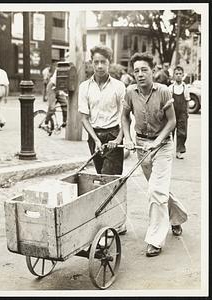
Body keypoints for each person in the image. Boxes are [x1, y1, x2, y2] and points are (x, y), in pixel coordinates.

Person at [121, 52, 188, 257]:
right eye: (136, 71)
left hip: (163, 145)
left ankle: (155, 240)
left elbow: (172, 121)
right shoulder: (130, 92)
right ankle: (177, 218)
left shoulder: (164, 91)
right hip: (141, 145)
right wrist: (127, 138)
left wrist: (157, 142)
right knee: (158, 189)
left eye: (144, 70)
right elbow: (124, 117)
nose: (140, 74)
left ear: (153, 70)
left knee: (156, 192)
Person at [78, 45, 127, 234]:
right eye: (96, 62)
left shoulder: (118, 86)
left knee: (109, 180)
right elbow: (84, 117)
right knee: (100, 179)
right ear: (91, 63)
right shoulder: (85, 87)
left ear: (109, 63)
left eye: (103, 62)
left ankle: (112, 224)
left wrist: (120, 138)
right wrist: (95, 140)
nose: (99, 66)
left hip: (114, 135)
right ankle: (112, 221)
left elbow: (125, 116)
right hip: (95, 137)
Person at [169, 65, 190, 159]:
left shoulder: (185, 87)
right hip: (172, 113)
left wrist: (187, 112)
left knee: (182, 133)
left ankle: (179, 151)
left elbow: (187, 101)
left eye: (180, 74)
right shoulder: (170, 88)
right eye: (176, 74)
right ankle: (168, 151)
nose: (178, 75)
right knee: (170, 132)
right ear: (173, 75)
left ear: (182, 75)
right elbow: (168, 102)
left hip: (182, 113)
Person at [43, 60, 68, 131]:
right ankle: (46, 123)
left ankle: (64, 122)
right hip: (52, 87)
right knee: (52, 108)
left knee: (65, 104)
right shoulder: (61, 69)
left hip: (59, 88)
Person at [0, 61, 9, 130]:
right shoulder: (3, 72)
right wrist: (6, 96)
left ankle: (2, 120)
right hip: (2, 89)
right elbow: (7, 85)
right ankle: (1, 120)